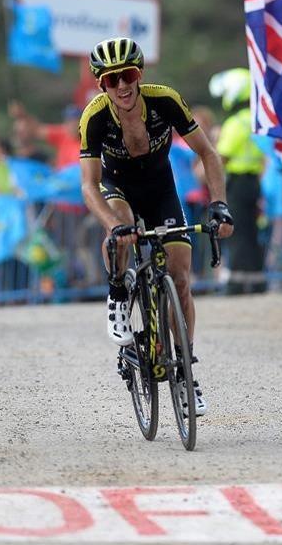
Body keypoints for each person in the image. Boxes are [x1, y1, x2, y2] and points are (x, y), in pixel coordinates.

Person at [78, 37, 233, 416]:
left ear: (139, 73)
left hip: (161, 187)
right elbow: (88, 184)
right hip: (117, 188)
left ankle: (184, 372)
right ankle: (117, 294)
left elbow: (208, 153)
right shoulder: (94, 117)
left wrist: (219, 204)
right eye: (111, 80)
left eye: (128, 75)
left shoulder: (164, 100)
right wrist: (113, 226)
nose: (122, 85)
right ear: (102, 85)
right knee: (124, 226)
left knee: (180, 277)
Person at [211, 68, 266, 294]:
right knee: (251, 231)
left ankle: (239, 280)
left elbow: (220, 156)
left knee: (238, 230)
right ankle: (256, 278)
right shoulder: (256, 119)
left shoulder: (235, 123)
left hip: (238, 182)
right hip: (254, 182)